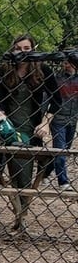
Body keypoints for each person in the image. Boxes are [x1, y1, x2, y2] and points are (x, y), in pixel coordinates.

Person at [0, 34, 56, 225]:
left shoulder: (43, 71)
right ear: (12, 49)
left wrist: (46, 122)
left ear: (33, 50)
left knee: (23, 174)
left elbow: (57, 100)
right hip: (2, 126)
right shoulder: (3, 70)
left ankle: (20, 215)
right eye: (18, 48)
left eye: (26, 49)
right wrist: (1, 116)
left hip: (28, 129)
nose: (22, 53)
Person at [51, 49, 78, 190]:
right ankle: (63, 181)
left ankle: (45, 171)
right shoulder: (57, 78)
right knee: (61, 151)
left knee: (63, 150)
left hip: (73, 120)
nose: (66, 64)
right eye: (64, 62)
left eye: (69, 62)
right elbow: (47, 99)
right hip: (58, 119)